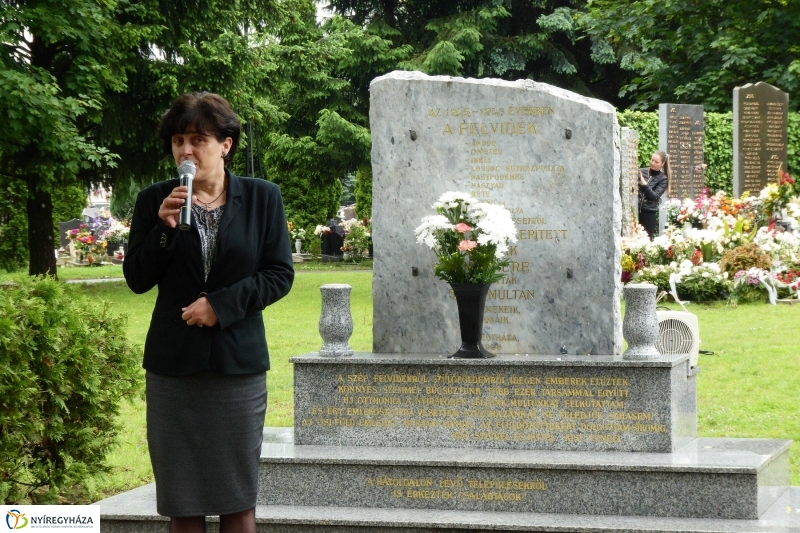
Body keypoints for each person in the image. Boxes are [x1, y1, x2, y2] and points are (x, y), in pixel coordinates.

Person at [123, 92, 294, 533]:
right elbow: (138, 278)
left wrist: (221, 306)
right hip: (173, 369)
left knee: (237, 501)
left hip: (236, 370)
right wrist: (162, 231)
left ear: (226, 144)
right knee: (183, 502)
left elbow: (278, 274)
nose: (186, 150)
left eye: (198, 138)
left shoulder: (263, 198)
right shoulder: (154, 201)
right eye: (178, 139)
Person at [638, 150, 669, 239]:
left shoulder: (663, 179)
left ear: (662, 164)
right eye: (652, 160)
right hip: (635, 212)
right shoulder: (641, 172)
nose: (653, 163)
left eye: (656, 162)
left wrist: (644, 184)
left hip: (648, 214)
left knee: (645, 243)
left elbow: (654, 196)